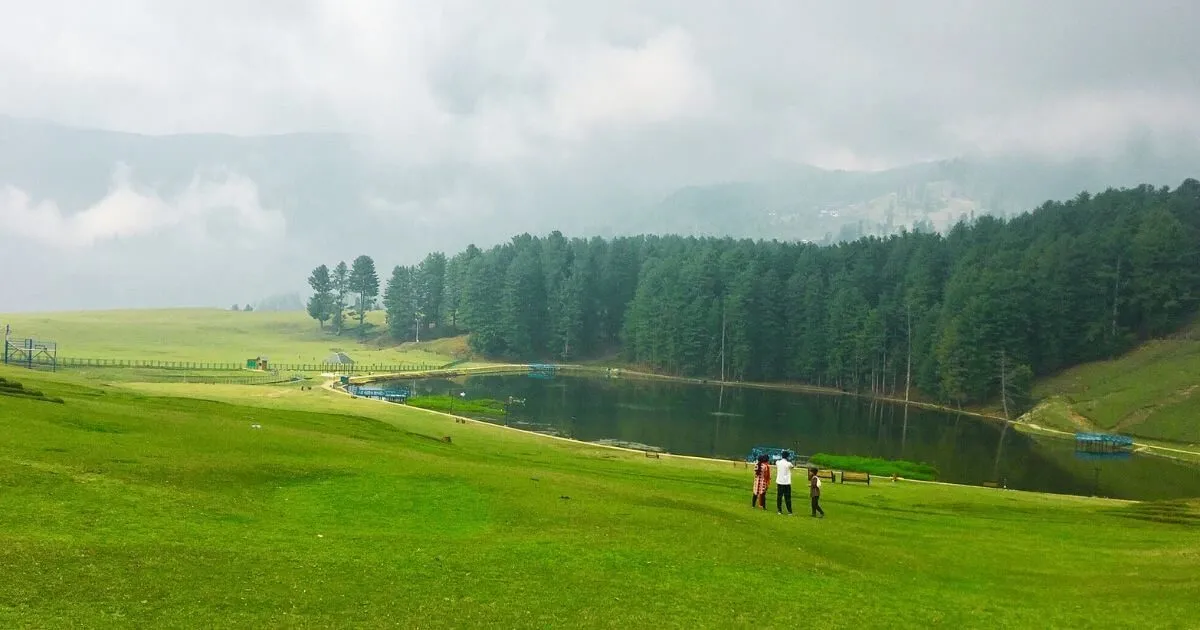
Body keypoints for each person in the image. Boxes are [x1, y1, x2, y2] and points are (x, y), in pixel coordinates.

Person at [775, 451, 795, 515]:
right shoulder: (789, 463)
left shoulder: (778, 462)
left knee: (779, 497)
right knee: (788, 497)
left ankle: (779, 510)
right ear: (787, 457)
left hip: (780, 482)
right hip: (786, 483)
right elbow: (792, 467)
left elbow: (777, 460)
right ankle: (789, 511)